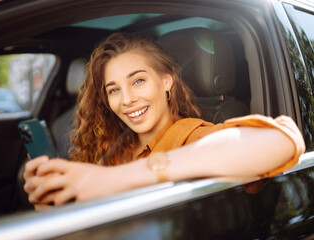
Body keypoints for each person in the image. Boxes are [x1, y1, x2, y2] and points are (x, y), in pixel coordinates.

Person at [23, 32, 305, 211]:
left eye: (139, 81)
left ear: (166, 81)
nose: (127, 99)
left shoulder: (189, 135)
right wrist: (50, 206)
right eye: (113, 89)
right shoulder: (116, 147)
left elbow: (281, 141)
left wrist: (115, 179)